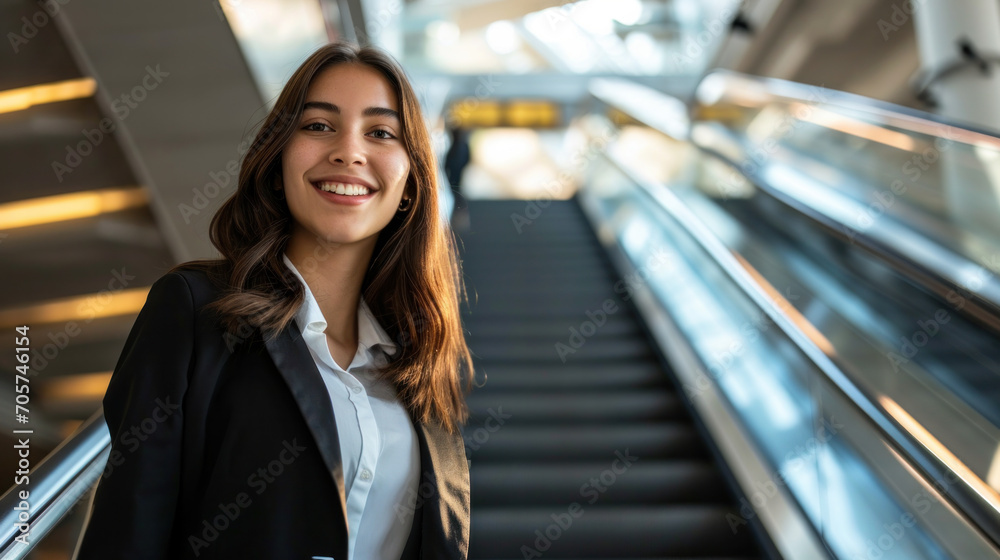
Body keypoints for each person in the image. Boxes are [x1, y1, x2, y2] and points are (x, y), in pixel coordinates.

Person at [72, 40, 474, 560]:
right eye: (318, 126)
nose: (348, 151)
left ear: (411, 184)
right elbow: (127, 533)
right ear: (278, 156)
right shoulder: (196, 311)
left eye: (380, 133)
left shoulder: (421, 354)